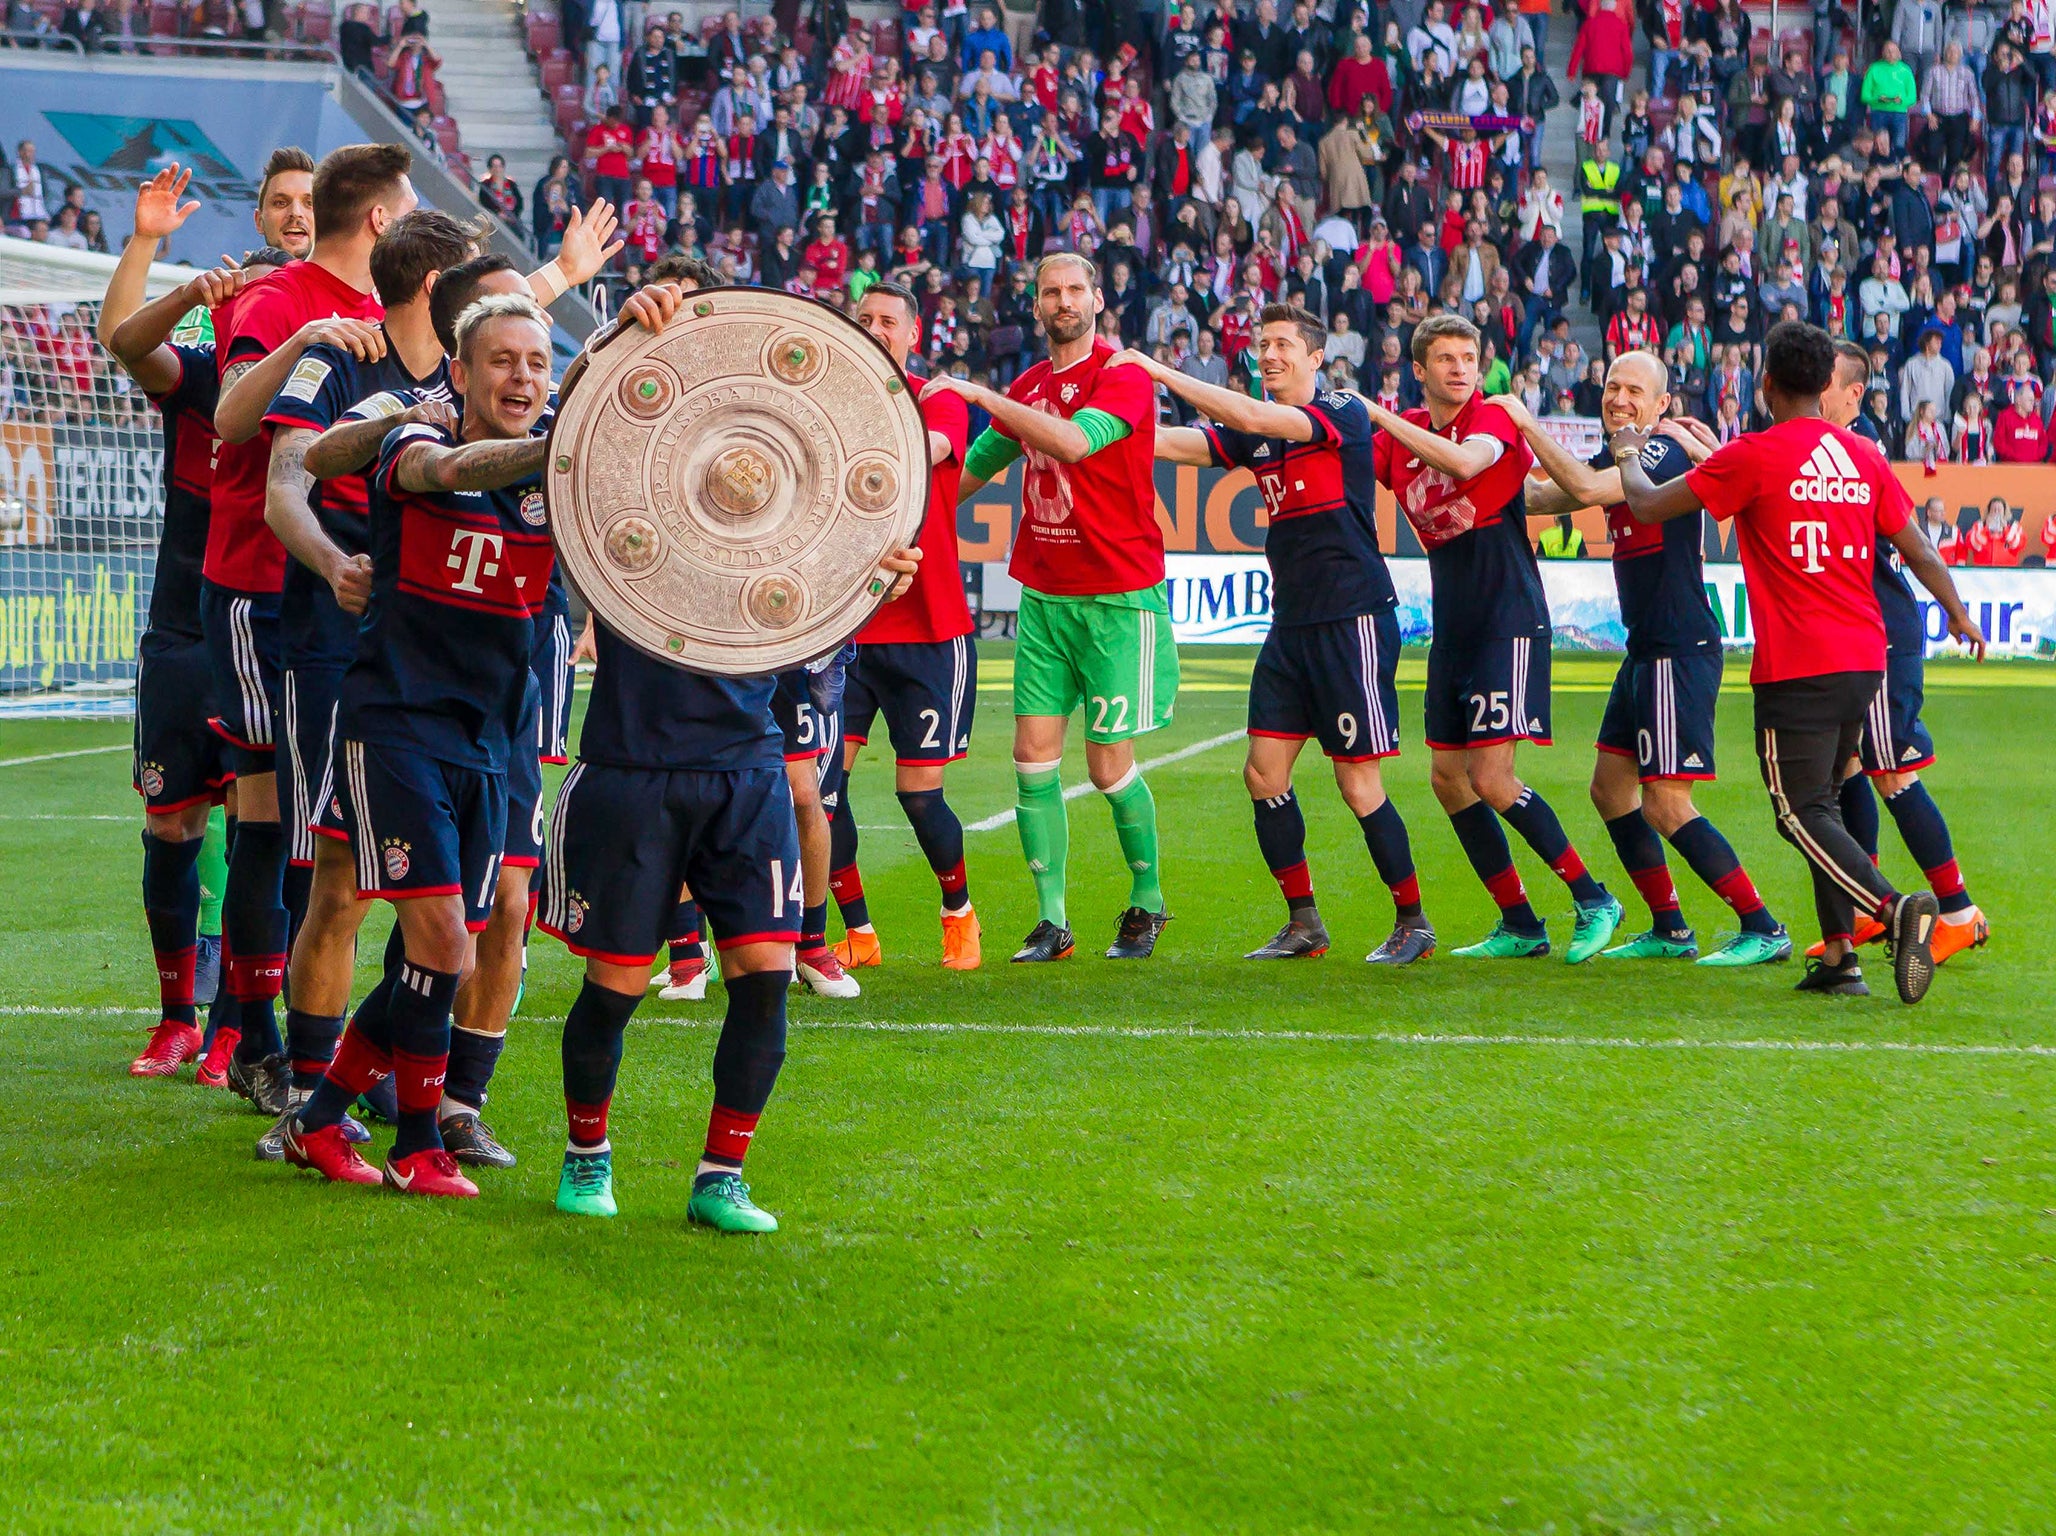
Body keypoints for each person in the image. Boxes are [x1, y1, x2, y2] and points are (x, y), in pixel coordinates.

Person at [536, 281, 921, 1230]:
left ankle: (721, 1177)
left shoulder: (782, 506)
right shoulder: (622, 492)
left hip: (746, 768)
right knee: (615, 988)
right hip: (634, 768)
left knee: (764, 982)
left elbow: (824, 588)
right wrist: (616, 333)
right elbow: (572, 428)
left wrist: (871, 575)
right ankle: (587, 1158)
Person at [1611, 320, 1985, 1004]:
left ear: (1766, 384)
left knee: (1799, 812)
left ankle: (1896, 908)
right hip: (1865, 658)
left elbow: (1644, 502)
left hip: (1798, 665)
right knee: (1828, 804)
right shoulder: (1862, 456)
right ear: (1823, 383)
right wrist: (1957, 613)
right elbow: (1920, 548)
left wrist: (1630, 451)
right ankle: (1840, 958)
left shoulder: (1754, 455)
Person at [277, 293, 558, 1197]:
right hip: (396, 723)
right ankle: (417, 1144)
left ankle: (319, 1120)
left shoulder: (562, 478)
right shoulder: (414, 437)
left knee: (446, 953)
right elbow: (450, 468)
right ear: (462, 373)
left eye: (538, 363)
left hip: (491, 734)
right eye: (503, 361)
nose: (522, 378)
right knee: (434, 935)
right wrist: (555, 448)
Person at [1118, 305, 1435, 965]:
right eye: (1263, 344)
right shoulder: (1255, 432)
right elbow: (1174, 444)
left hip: (1352, 618)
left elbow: (1256, 418)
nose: (1269, 354)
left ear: (1316, 357)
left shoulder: (1342, 408)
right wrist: (1089, 432)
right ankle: (1304, 923)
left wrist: (1156, 370)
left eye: (1284, 344)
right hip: (1291, 624)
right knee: (1263, 774)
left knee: (1358, 784)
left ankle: (1413, 921)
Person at [198, 143, 409, 1119]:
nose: (290, 214)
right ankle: (261, 1045)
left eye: (301, 199)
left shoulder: (386, 305)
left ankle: (296, 1046)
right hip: (259, 582)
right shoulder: (279, 299)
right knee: (273, 820)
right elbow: (231, 420)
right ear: (377, 215)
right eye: (276, 199)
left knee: (326, 826)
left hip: (340, 594)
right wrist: (304, 339)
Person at [1496, 355, 1792, 966]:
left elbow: (1583, 491)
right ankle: (1670, 929)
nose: (1619, 398)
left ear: (1661, 405)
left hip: (1676, 649)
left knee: (1666, 803)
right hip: (1647, 650)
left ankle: (1763, 926)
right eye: (1612, 387)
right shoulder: (1621, 455)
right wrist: (1480, 454)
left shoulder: (1660, 452)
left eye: (1635, 390)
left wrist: (1524, 423)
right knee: (1610, 790)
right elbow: (1541, 495)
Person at [933, 253, 1176, 963]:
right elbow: (972, 470)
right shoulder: (1030, 385)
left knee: (1106, 769)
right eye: (1051, 292)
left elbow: (1073, 441)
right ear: (1036, 304)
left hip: (1118, 598)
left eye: (1075, 290)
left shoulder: (1122, 375)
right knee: (1032, 760)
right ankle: (1052, 922)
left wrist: (980, 396)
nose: (1063, 301)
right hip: (1043, 597)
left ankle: (1148, 900)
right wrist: (909, 515)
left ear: (1096, 299)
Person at [97, 167, 274, 1080]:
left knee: (260, 832)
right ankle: (177, 1018)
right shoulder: (200, 376)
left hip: (269, 630)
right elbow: (125, 342)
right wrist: (149, 246)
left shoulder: (324, 391)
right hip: (181, 633)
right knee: (171, 826)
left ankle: (240, 1024)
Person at [1818, 339, 1990, 967]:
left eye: (1823, 381)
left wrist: (1956, 610)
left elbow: (1914, 543)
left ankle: (1959, 913)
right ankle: (1868, 906)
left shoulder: (1857, 452)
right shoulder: (1830, 446)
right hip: (1850, 636)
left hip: (1881, 635)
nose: (1812, 390)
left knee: (1892, 773)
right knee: (1847, 767)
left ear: (1853, 394)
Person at [828, 282, 981, 972]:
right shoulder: (830, 402)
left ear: (912, 334)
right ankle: (859, 933)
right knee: (821, 791)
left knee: (919, 796)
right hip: (847, 630)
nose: (875, 328)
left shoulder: (935, 396)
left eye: (888, 320)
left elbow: (932, 447)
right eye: (864, 319)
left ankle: (959, 915)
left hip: (929, 631)